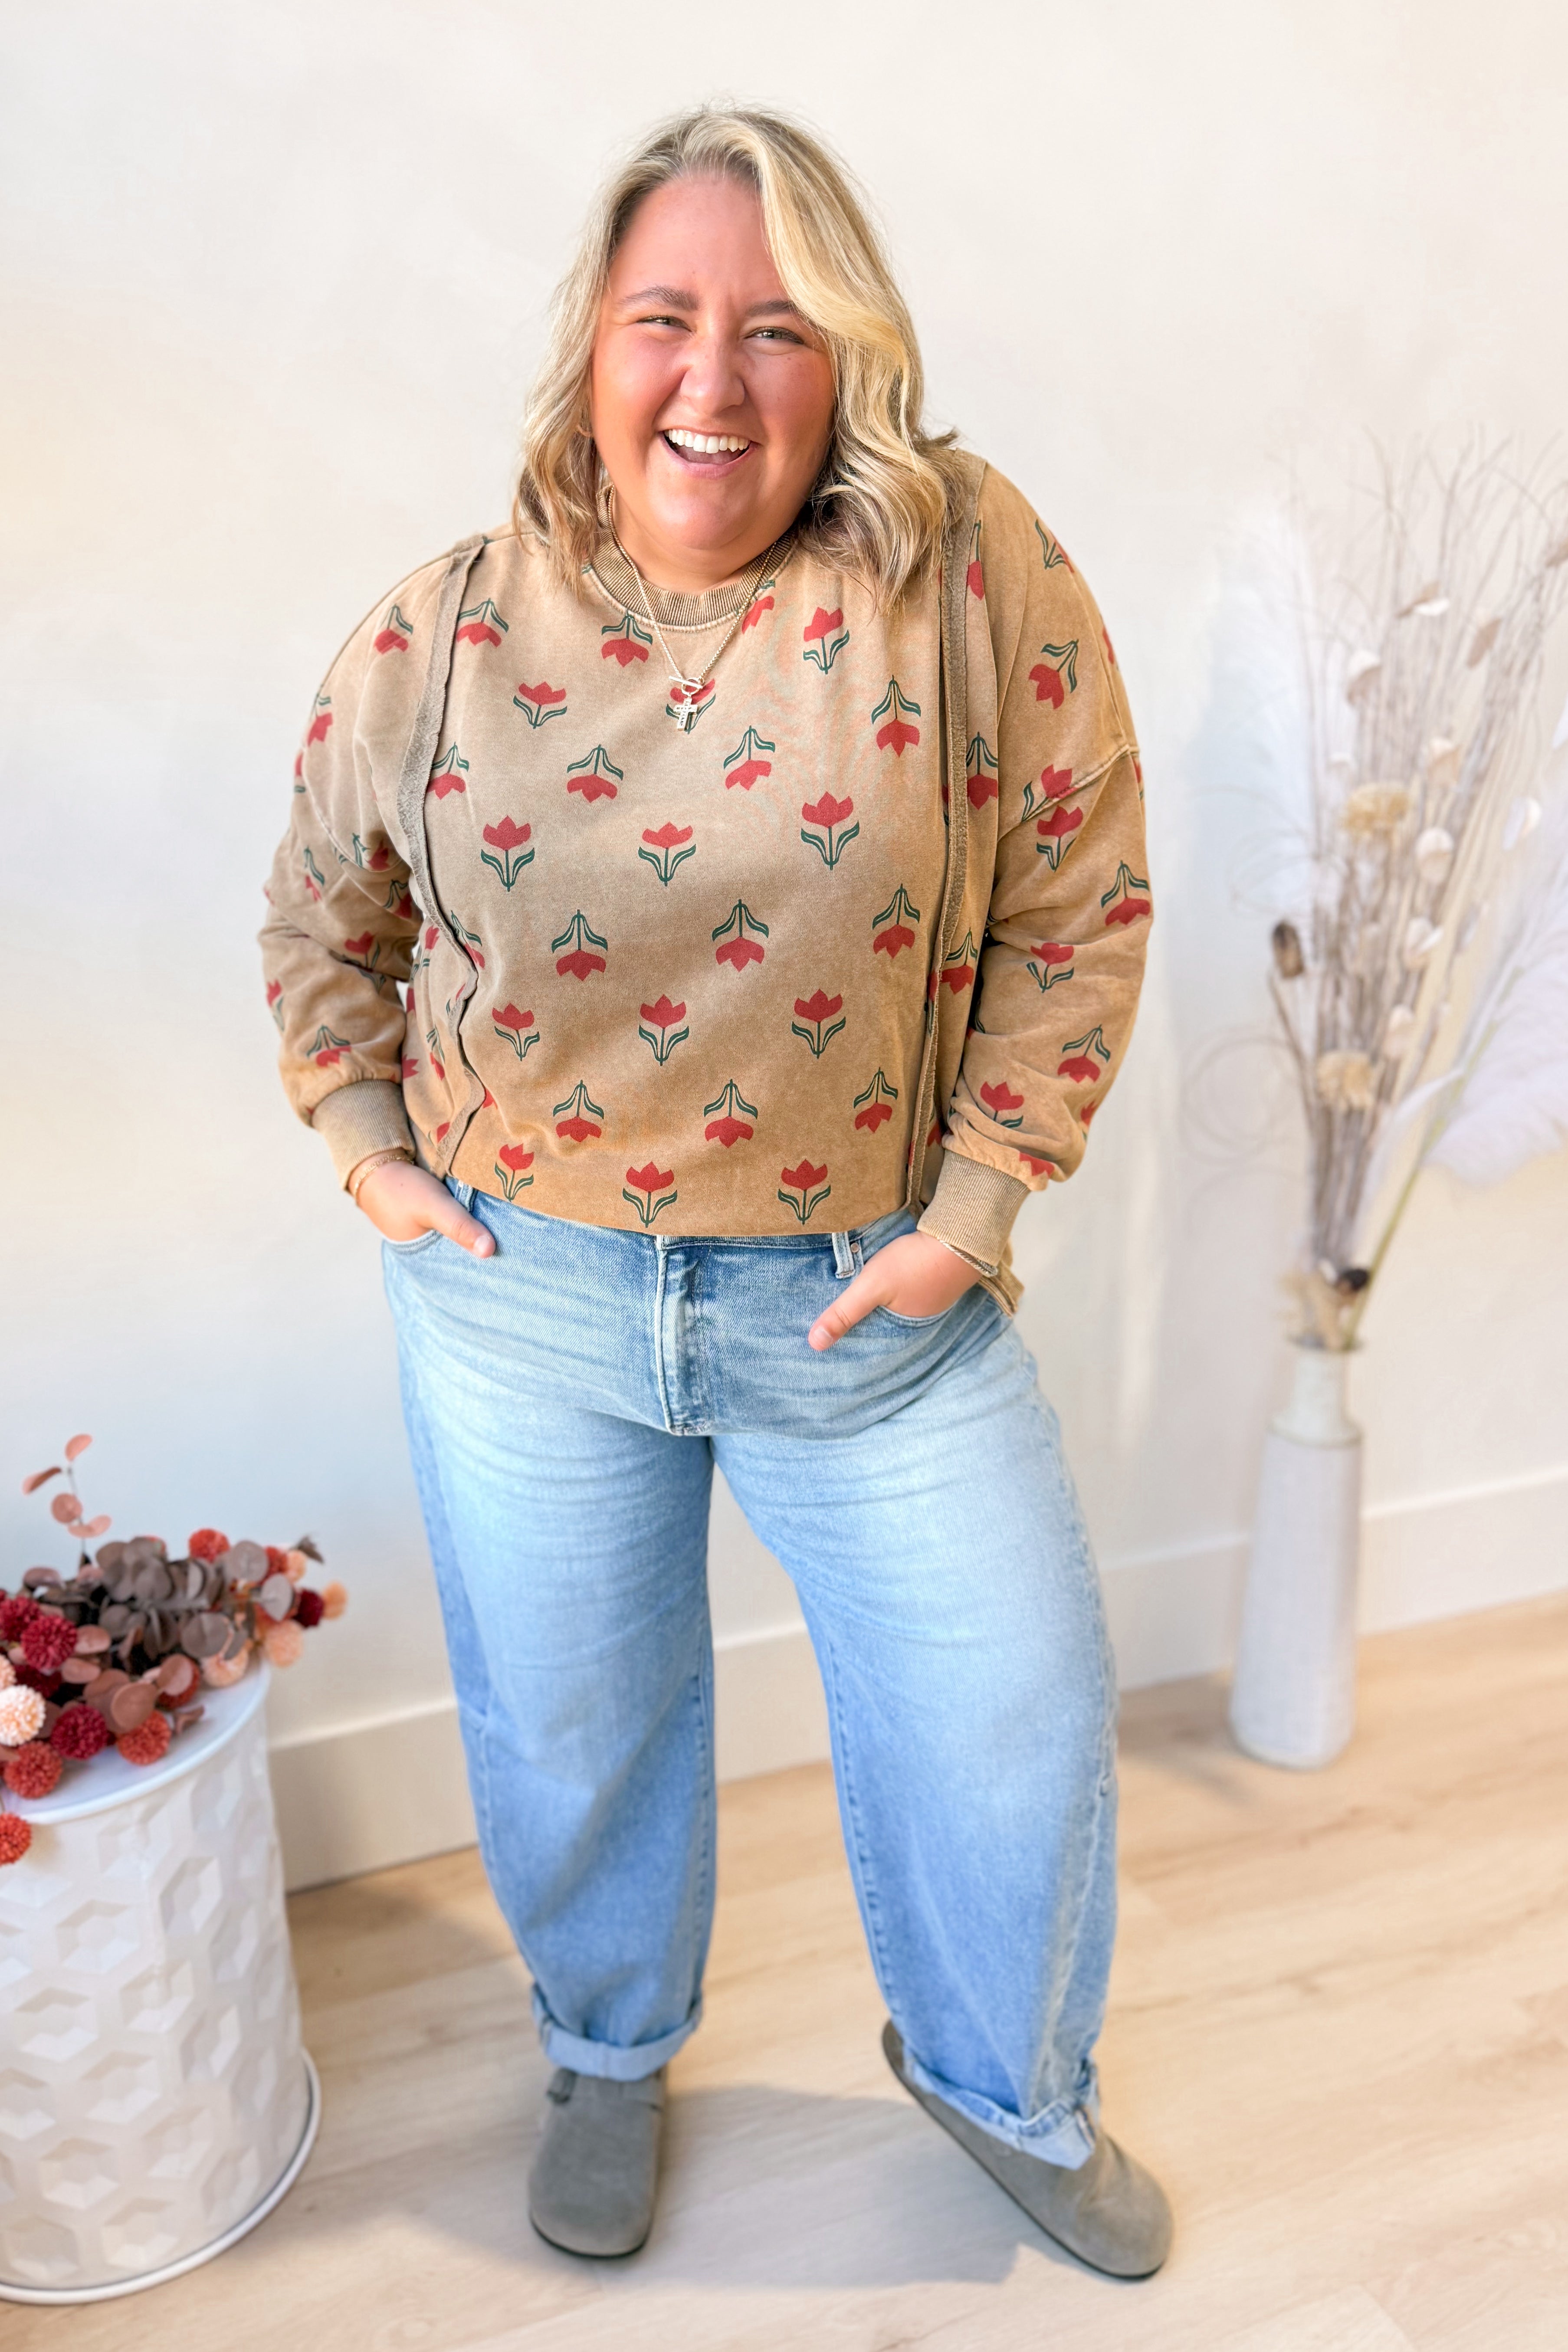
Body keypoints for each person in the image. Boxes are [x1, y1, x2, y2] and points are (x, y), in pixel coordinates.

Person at [260, 106, 1168, 2277]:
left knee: (1010, 1715)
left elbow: (1078, 890)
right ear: (591, 346)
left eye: (776, 327)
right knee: (574, 1731)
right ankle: (604, 2046)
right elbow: (321, 911)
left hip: (869, 1302)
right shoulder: (445, 630)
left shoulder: (959, 575)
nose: (714, 378)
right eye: (663, 317)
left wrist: (977, 1204)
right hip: (525, 1291)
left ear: (847, 358)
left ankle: (1005, 2088)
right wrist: (369, 1150)